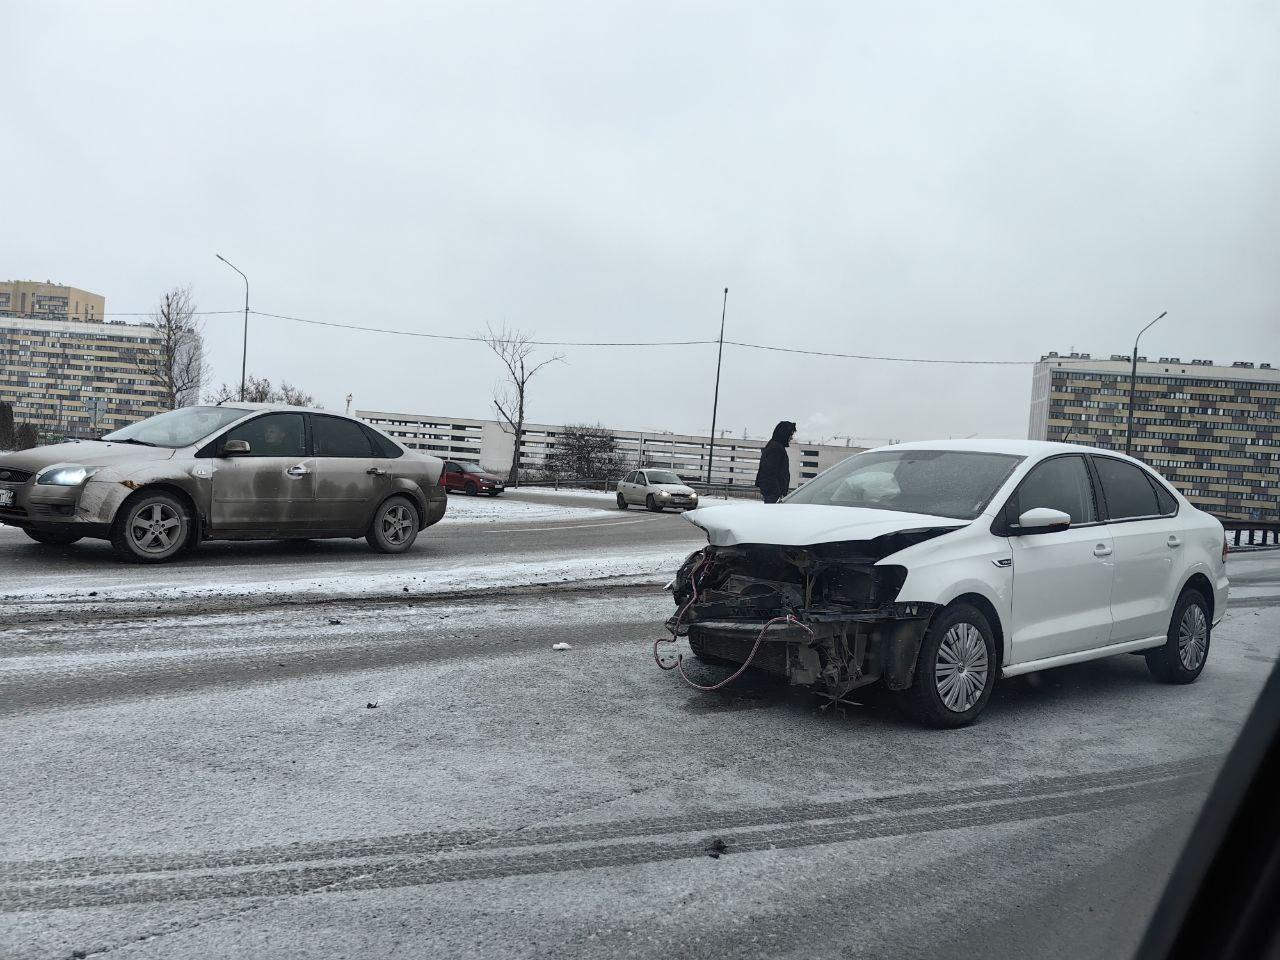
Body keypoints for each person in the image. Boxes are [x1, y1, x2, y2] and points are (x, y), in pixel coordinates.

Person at [755, 420, 796, 503]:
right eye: (791, 434)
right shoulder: (776, 448)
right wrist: (776, 494)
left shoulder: (775, 446)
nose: (791, 438)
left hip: (773, 494)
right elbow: (769, 473)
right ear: (784, 433)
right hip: (773, 495)